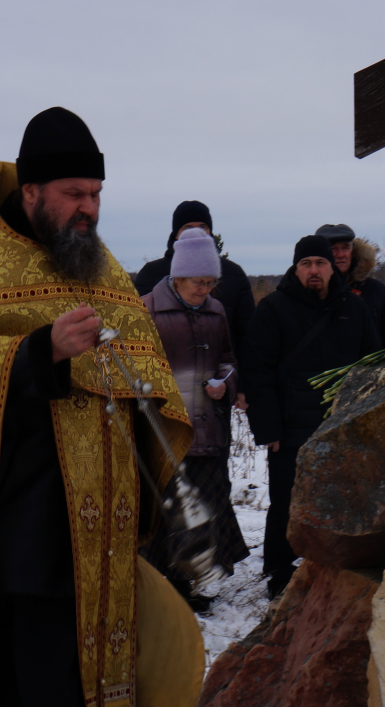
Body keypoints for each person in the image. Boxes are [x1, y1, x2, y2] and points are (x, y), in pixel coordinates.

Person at [0, 108, 195, 706]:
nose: (90, 208)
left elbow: (140, 353)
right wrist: (41, 352)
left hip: (100, 537)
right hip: (22, 541)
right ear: (32, 191)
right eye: (74, 193)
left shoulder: (95, 262)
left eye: (97, 193)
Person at [244, 235, 380, 597]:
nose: (314, 271)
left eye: (320, 263)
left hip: (341, 427)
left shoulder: (355, 309)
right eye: (306, 264)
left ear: (332, 267)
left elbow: (372, 365)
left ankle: (331, 568)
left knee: (339, 499)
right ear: (296, 268)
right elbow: (258, 373)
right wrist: (268, 428)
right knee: (287, 503)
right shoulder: (273, 309)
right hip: (290, 429)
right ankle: (280, 574)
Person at [141, 228, 251, 611]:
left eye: (210, 283)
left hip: (208, 428)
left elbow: (228, 359)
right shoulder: (146, 311)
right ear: (178, 276)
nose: (204, 290)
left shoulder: (216, 312)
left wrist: (226, 380)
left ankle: (196, 585)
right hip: (166, 430)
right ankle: (165, 587)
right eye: (198, 282)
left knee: (204, 508)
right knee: (170, 510)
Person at [135, 200, 256, 408]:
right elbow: (137, 338)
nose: (196, 232)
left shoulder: (232, 275)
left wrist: (241, 385)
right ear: (176, 234)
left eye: (202, 227)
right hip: (163, 396)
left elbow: (248, 337)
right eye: (187, 227)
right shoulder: (152, 274)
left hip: (214, 393)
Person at [316, 223, 385, 348]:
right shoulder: (310, 292)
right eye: (333, 248)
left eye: (345, 247)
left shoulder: (375, 290)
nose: (340, 254)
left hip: (371, 366)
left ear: (353, 251)